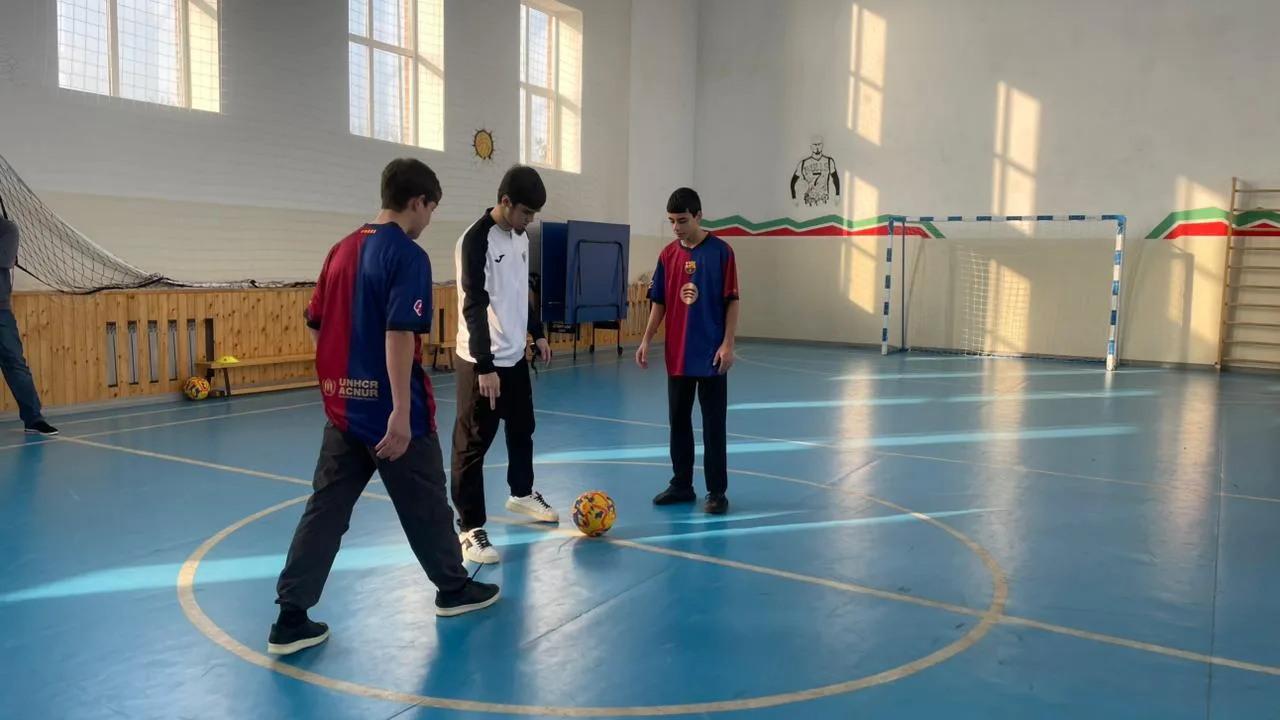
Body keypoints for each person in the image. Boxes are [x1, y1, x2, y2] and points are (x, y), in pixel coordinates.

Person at [268, 158, 499, 657]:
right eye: (431, 210)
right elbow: (399, 334)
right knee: (426, 505)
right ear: (418, 202)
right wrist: (397, 410)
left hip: (343, 411)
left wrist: (337, 380)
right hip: (393, 415)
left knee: (325, 509)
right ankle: (453, 589)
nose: (429, 220)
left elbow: (315, 323)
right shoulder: (408, 256)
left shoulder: (340, 250)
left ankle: (290, 617)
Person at [451, 164, 557, 565]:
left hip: (514, 357)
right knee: (471, 447)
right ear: (506, 202)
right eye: (526, 212)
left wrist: (538, 332)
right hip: (482, 360)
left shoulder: (520, 236)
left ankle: (521, 492)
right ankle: (469, 528)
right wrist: (485, 365)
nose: (530, 221)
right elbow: (474, 304)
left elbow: (520, 290)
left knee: (522, 428)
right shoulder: (475, 241)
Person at [635, 187, 739, 515]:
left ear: (698, 216)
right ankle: (681, 484)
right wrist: (646, 338)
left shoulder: (722, 253)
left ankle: (716, 492)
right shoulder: (667, 256)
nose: (676, 227)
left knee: (713, 425)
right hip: (677, 355)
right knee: (678, 422)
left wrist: (728, 343)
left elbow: (732, 301)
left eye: (682, 220)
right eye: (671, 221)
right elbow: (659, 302)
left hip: (711, 356)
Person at [0, 200, 57, 436]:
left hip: (0, 311)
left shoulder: (7, 228)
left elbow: (4, 259)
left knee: (15, 364)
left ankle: (34, 419)